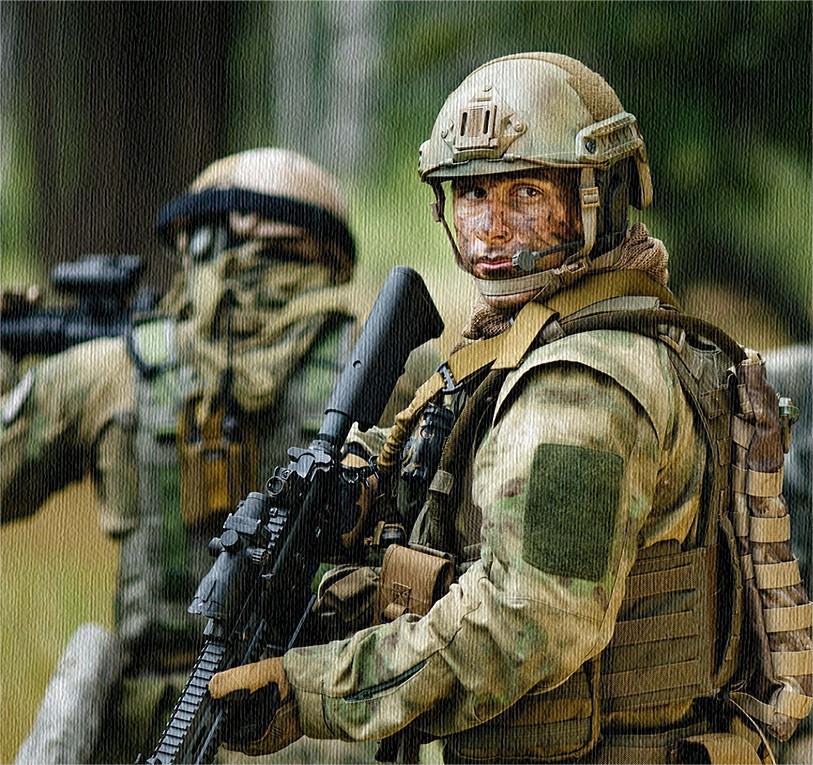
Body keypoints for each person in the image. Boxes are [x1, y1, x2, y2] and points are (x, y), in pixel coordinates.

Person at [208, 54, 813, 764]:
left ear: (599, 198)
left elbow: (524, 623)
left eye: (525, 194)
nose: (490, 228)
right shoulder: (547, 341)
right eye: (470, 194)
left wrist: (311, 690)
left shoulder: (581, 388)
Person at [1, 147, 380, 763]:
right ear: (327, 253)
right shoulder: (380, 366)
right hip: (320, 724)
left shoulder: (111, 371)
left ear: (202, 242)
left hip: (156, 729)